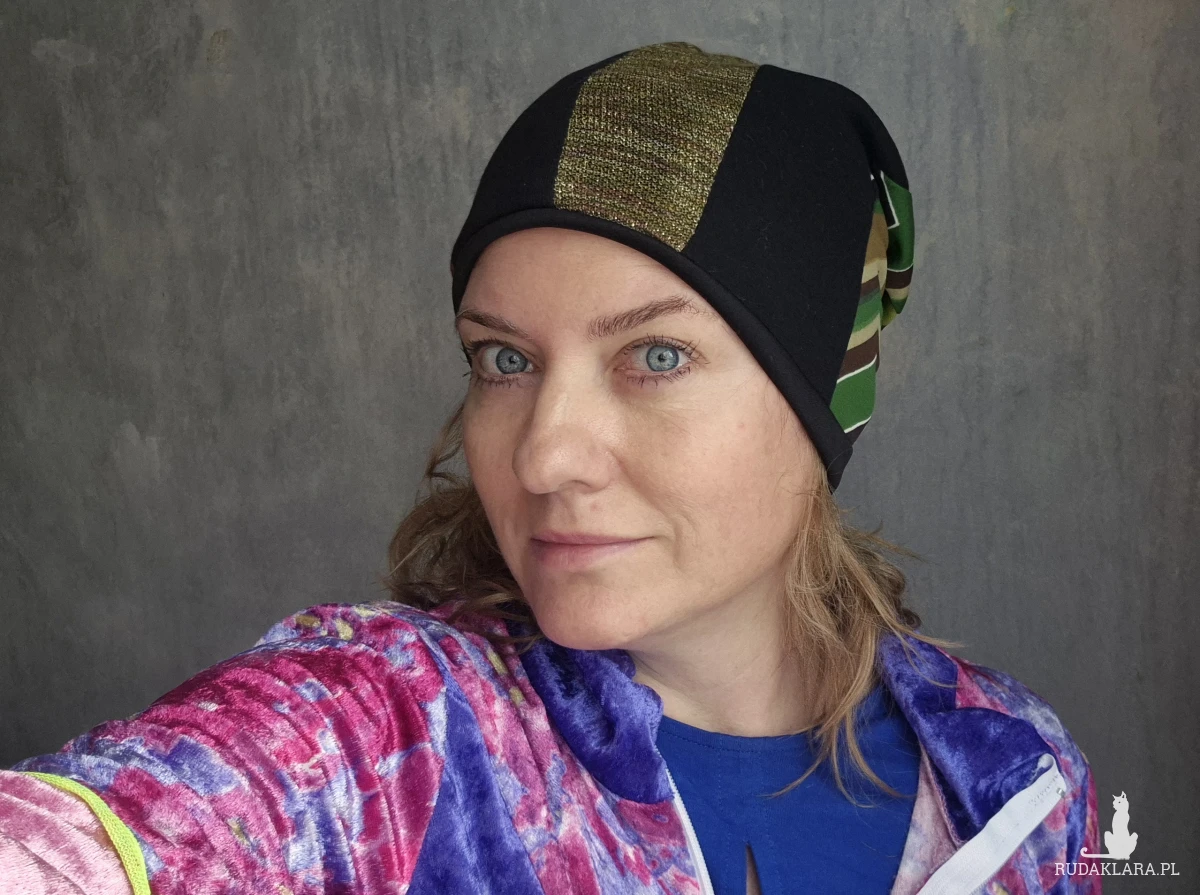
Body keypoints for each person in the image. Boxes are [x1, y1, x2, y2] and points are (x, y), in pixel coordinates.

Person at [0, 41, 1101, 895]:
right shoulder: (401, 736)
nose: (543, 453)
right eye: (504, 359)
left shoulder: (1021, 781)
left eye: (655, 356)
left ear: (821, 404)